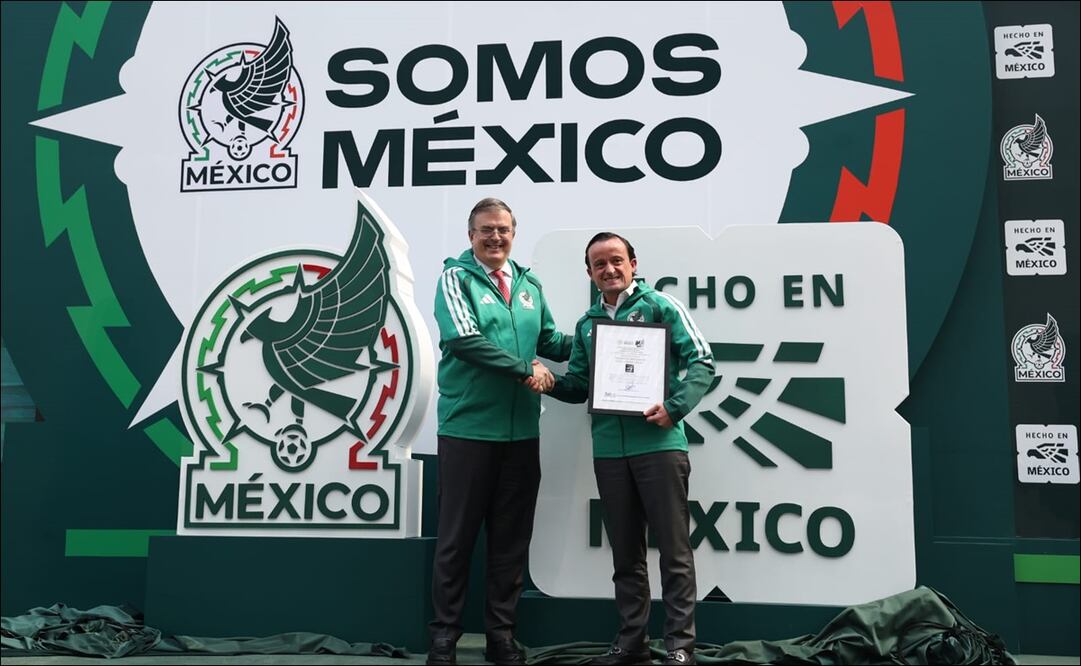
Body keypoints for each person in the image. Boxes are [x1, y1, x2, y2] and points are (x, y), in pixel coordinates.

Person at [532, 232, 714, 666]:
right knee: (626, 553)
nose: (609, 269)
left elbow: (703, 361)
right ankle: (632, 643)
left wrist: (674, 408)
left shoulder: (661, 307)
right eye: (599, 264)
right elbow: (579, 384)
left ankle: (679, 647)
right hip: (610, 452)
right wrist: (547, 381)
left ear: (633, 263)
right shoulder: (586, 325)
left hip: (661, 446)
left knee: (673, 550)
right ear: (590, 273)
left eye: (616, 260)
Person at [428, 197, 571, 665]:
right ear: (471, 235)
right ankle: (444, 639)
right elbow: (465, 340)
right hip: (468, 431)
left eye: (503, 230)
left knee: (510, 543)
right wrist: (523, 371)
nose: (495, 237)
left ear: (514, 233)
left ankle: (500, 638)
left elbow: (549, 340)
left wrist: (602, 335)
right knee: (456, 542)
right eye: (486, 230)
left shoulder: (529, 285)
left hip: (521, 435)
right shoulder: (455, 278)